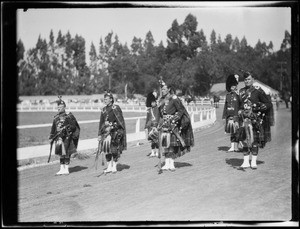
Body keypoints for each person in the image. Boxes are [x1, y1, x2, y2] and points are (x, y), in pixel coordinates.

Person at [238, 72, 273, 169]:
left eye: (249, 79)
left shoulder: (258, 91)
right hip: (243, 120)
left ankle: (253, 161)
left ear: (253, 79)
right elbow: (239, 105)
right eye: (245, 79)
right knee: (244, 141)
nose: (247, 81)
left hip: (255, 120)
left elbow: (268, 103)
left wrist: (263, 106)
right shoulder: (241, 91)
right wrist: (239, 111)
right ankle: (245, 161)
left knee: (254, 141)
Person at [157, 80, 194, 171]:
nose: (163, 90)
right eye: (162, 89)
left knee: (172, 145)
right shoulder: (161, 99)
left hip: (173, 124)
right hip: (164, 125)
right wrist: (159, 123)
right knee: (166, 144)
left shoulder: (174, 98)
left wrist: (174, 119)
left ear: (169, 89)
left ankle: (171, 163)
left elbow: (181, 110)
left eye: (165, 89)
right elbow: (160, 113)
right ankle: (166, 163)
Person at [49, 96, 80, 175]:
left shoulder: (69, 116)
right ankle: (61, 168)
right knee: (60, 153)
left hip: (67, 137)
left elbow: (74, 126)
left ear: (64, 107)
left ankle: (66, 168)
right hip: (59, 138)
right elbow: (53, 128)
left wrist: (67, 128)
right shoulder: (56, 118)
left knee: (66, 153)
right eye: (58, 107)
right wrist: (51, 137)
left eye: (61, 107)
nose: (59, 108)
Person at [98, 91, 127, 174]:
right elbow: (101, 123)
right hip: (105, 134)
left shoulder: (116, 108)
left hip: (115, 132)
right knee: (106, 150)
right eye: (104, 99)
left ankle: (114, 166)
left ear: (111, 99)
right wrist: (99, 134)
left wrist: (113, 127)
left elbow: (120, 121)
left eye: (106, 99)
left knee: (114, 150)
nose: (105, 100)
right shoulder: (103, 109)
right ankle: (109, 167)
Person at [222, 74, 241, 152]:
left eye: (234, 86)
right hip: (229, 116)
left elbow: (241, 103)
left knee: (237, 132)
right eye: (232, 87)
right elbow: (225, 106)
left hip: (236, 116)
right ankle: (232, 146)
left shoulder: (238, 95)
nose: (233, 88)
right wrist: (224, 116)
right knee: (231, 132)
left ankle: (236, 146)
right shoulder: (228, 96)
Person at [144, 91, 160, 157]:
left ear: (156, 102)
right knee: (152, 140)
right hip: (150, 126)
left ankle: (157, 152)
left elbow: (158, 117)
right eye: (152, 102)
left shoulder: (158, 109)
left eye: (154, 102)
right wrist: (145, 127)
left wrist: (157, 125)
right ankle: (153, 152)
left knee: (156, 140)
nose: (153, 103)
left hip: (156, 126)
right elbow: (147, 119)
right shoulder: (149, 110)